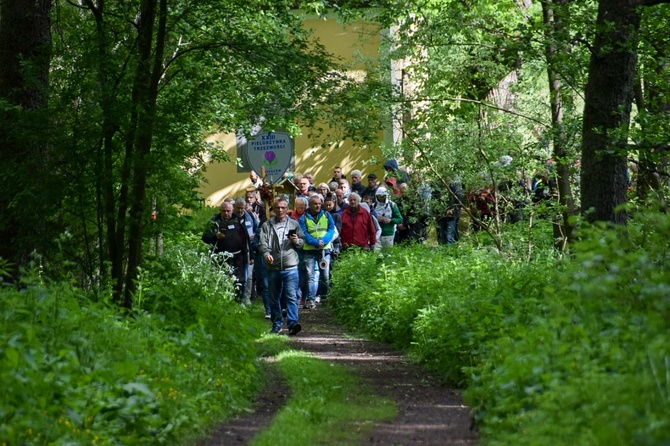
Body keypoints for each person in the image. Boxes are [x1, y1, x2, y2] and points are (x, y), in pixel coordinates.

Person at [259, 197, 305, 335]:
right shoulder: (266, 225)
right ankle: (276, 324)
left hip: (290, 266)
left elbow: (302, 242)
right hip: (273, 267)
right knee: (274, 298)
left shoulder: (294, 224)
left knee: (291, 296)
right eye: (278, 207)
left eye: (283, 207)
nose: (280, 210)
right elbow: (263, 243)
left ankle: (292, 324)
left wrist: (297, 241)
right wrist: (266, 254)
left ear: (287, 209)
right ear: (273, 208)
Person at [201, 201, 247, 302]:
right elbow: (205, 237)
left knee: (239, 280)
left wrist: (249, 255)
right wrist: (215, 237)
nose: (226, 213)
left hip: (238, 256)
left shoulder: (238, 220)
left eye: (228, 211)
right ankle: (223, 301)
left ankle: (238, 301)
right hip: (221, 257)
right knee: (222, 279)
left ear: (232, 210)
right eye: (223, 211)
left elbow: (245, 238)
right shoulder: (214, 222)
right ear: (220, 211)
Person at [299, 194, 335, 309]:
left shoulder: (327, 215)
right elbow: (304, 233)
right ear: (310, 205)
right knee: (310, 276)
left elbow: (331, 230)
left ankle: (325, 298)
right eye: (315, 204)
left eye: (319, 204)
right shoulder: (303, 218)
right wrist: (315, 242)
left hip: (325, 250)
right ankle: (310, 300)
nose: (318, 206)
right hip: (309, 251)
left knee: (325, 276)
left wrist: (323, 241)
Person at [234, 197, 259, 305]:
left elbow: (257, 228)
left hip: (248, 249)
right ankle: (238, 298)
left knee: (248, 276)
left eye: (242, 208)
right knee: (238, 276)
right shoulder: (232, 217)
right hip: (236, 250)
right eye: (238, 208)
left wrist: (254, 236)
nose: (240, 211)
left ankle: (247, 297)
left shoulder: (250, 217)